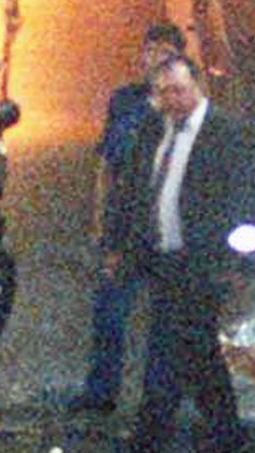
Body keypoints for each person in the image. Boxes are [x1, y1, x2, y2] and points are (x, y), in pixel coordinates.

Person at [103, 53, 255, 453]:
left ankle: (150, 443)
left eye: (178, 90)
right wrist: (118, 243)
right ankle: (223, 439)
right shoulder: (155, 131)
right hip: (162, 257)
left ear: (196, 87)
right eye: (163, 92)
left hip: (202, 260)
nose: (171, 100)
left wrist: (241, 262)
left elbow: (247, 200)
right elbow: (133, 188)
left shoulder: (227, 135)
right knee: (195, 350)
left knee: (176, 346)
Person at [67, 21, 187, 415]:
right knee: (110, 311)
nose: (155, 59)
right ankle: (101, 391)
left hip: (166, 226)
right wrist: (100, 220)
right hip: (127, 223)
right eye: (150, 51)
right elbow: (108, 164)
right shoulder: (125, 101)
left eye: (164, 53)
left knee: (166, 319)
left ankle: (159, 398)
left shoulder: (185, 105)